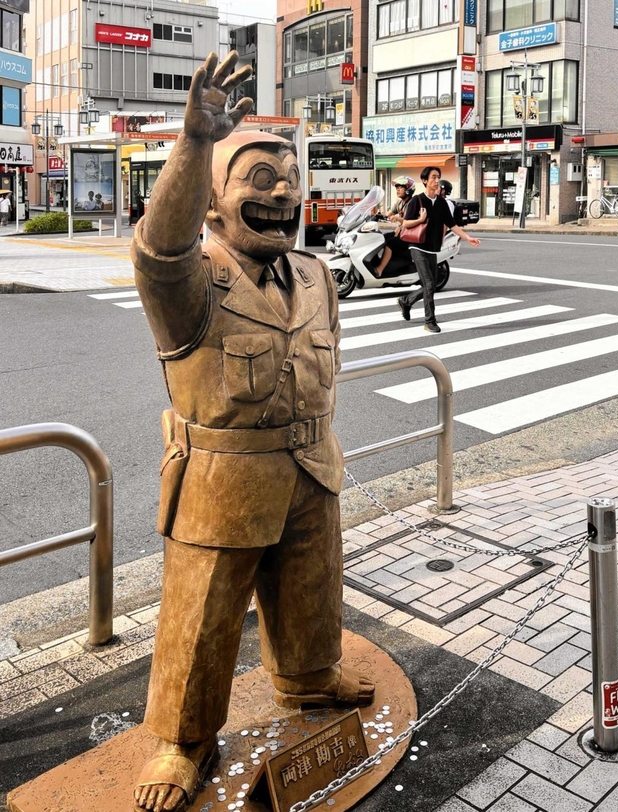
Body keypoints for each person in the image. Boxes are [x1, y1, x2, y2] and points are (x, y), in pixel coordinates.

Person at [130, 52, 373, 812]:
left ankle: (308, 677)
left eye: (289, 183)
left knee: (313, 590)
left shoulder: (316, 276)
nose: (282, 196)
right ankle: (182, 739)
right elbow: (157, 250)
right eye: (258, 183)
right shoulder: (193, 281)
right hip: (222, 482)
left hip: (309, 466)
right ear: (212, 204)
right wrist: (196, 142)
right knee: (201, 621)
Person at [397, 166, 481, 333]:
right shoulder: (417, 201)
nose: (437, 181)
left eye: (438, 177)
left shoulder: (441, 203)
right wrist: (420, 219)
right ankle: (430, 321)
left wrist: (467, 237)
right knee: (428, 283)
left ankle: (406, 301)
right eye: (433, 177)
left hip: (432, 248)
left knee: (432, 285)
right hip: (417, 246)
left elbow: (452, 224)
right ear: (425, 181)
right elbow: (405, 224)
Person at [373, 177, 415, 277]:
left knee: (391, 243)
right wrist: (377, 215)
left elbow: (409, 222)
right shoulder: (400, 203)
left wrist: (397, 219)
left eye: (400, 187)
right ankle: (379, 263)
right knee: (381, 238)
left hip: (410, 235)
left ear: (408, 190)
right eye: (397, 188)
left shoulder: (412, 203)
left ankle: (379, 270)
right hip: (401, 231)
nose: (398, 190)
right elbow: (389, 213)